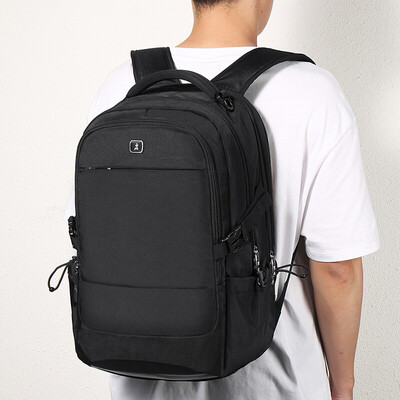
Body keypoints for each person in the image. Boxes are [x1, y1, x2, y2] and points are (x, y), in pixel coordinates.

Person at [63, 0, 380, 399]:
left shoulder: (121, 84)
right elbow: (337, 270)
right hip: (271, 384)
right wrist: (343, 385)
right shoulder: (311, 90)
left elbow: (90, 235)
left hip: (137, 379)